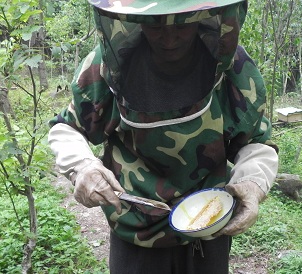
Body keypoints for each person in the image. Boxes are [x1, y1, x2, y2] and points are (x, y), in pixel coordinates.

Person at [48, 0, 279, 273]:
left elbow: (254, 141)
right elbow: (67, 127)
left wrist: (252, 182)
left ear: (201, 17)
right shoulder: (110, 65)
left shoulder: (229, 65)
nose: (169, 38)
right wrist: (82, 167)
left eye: (181, 23)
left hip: (209, 224)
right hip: (135, 232)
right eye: (155, 24)